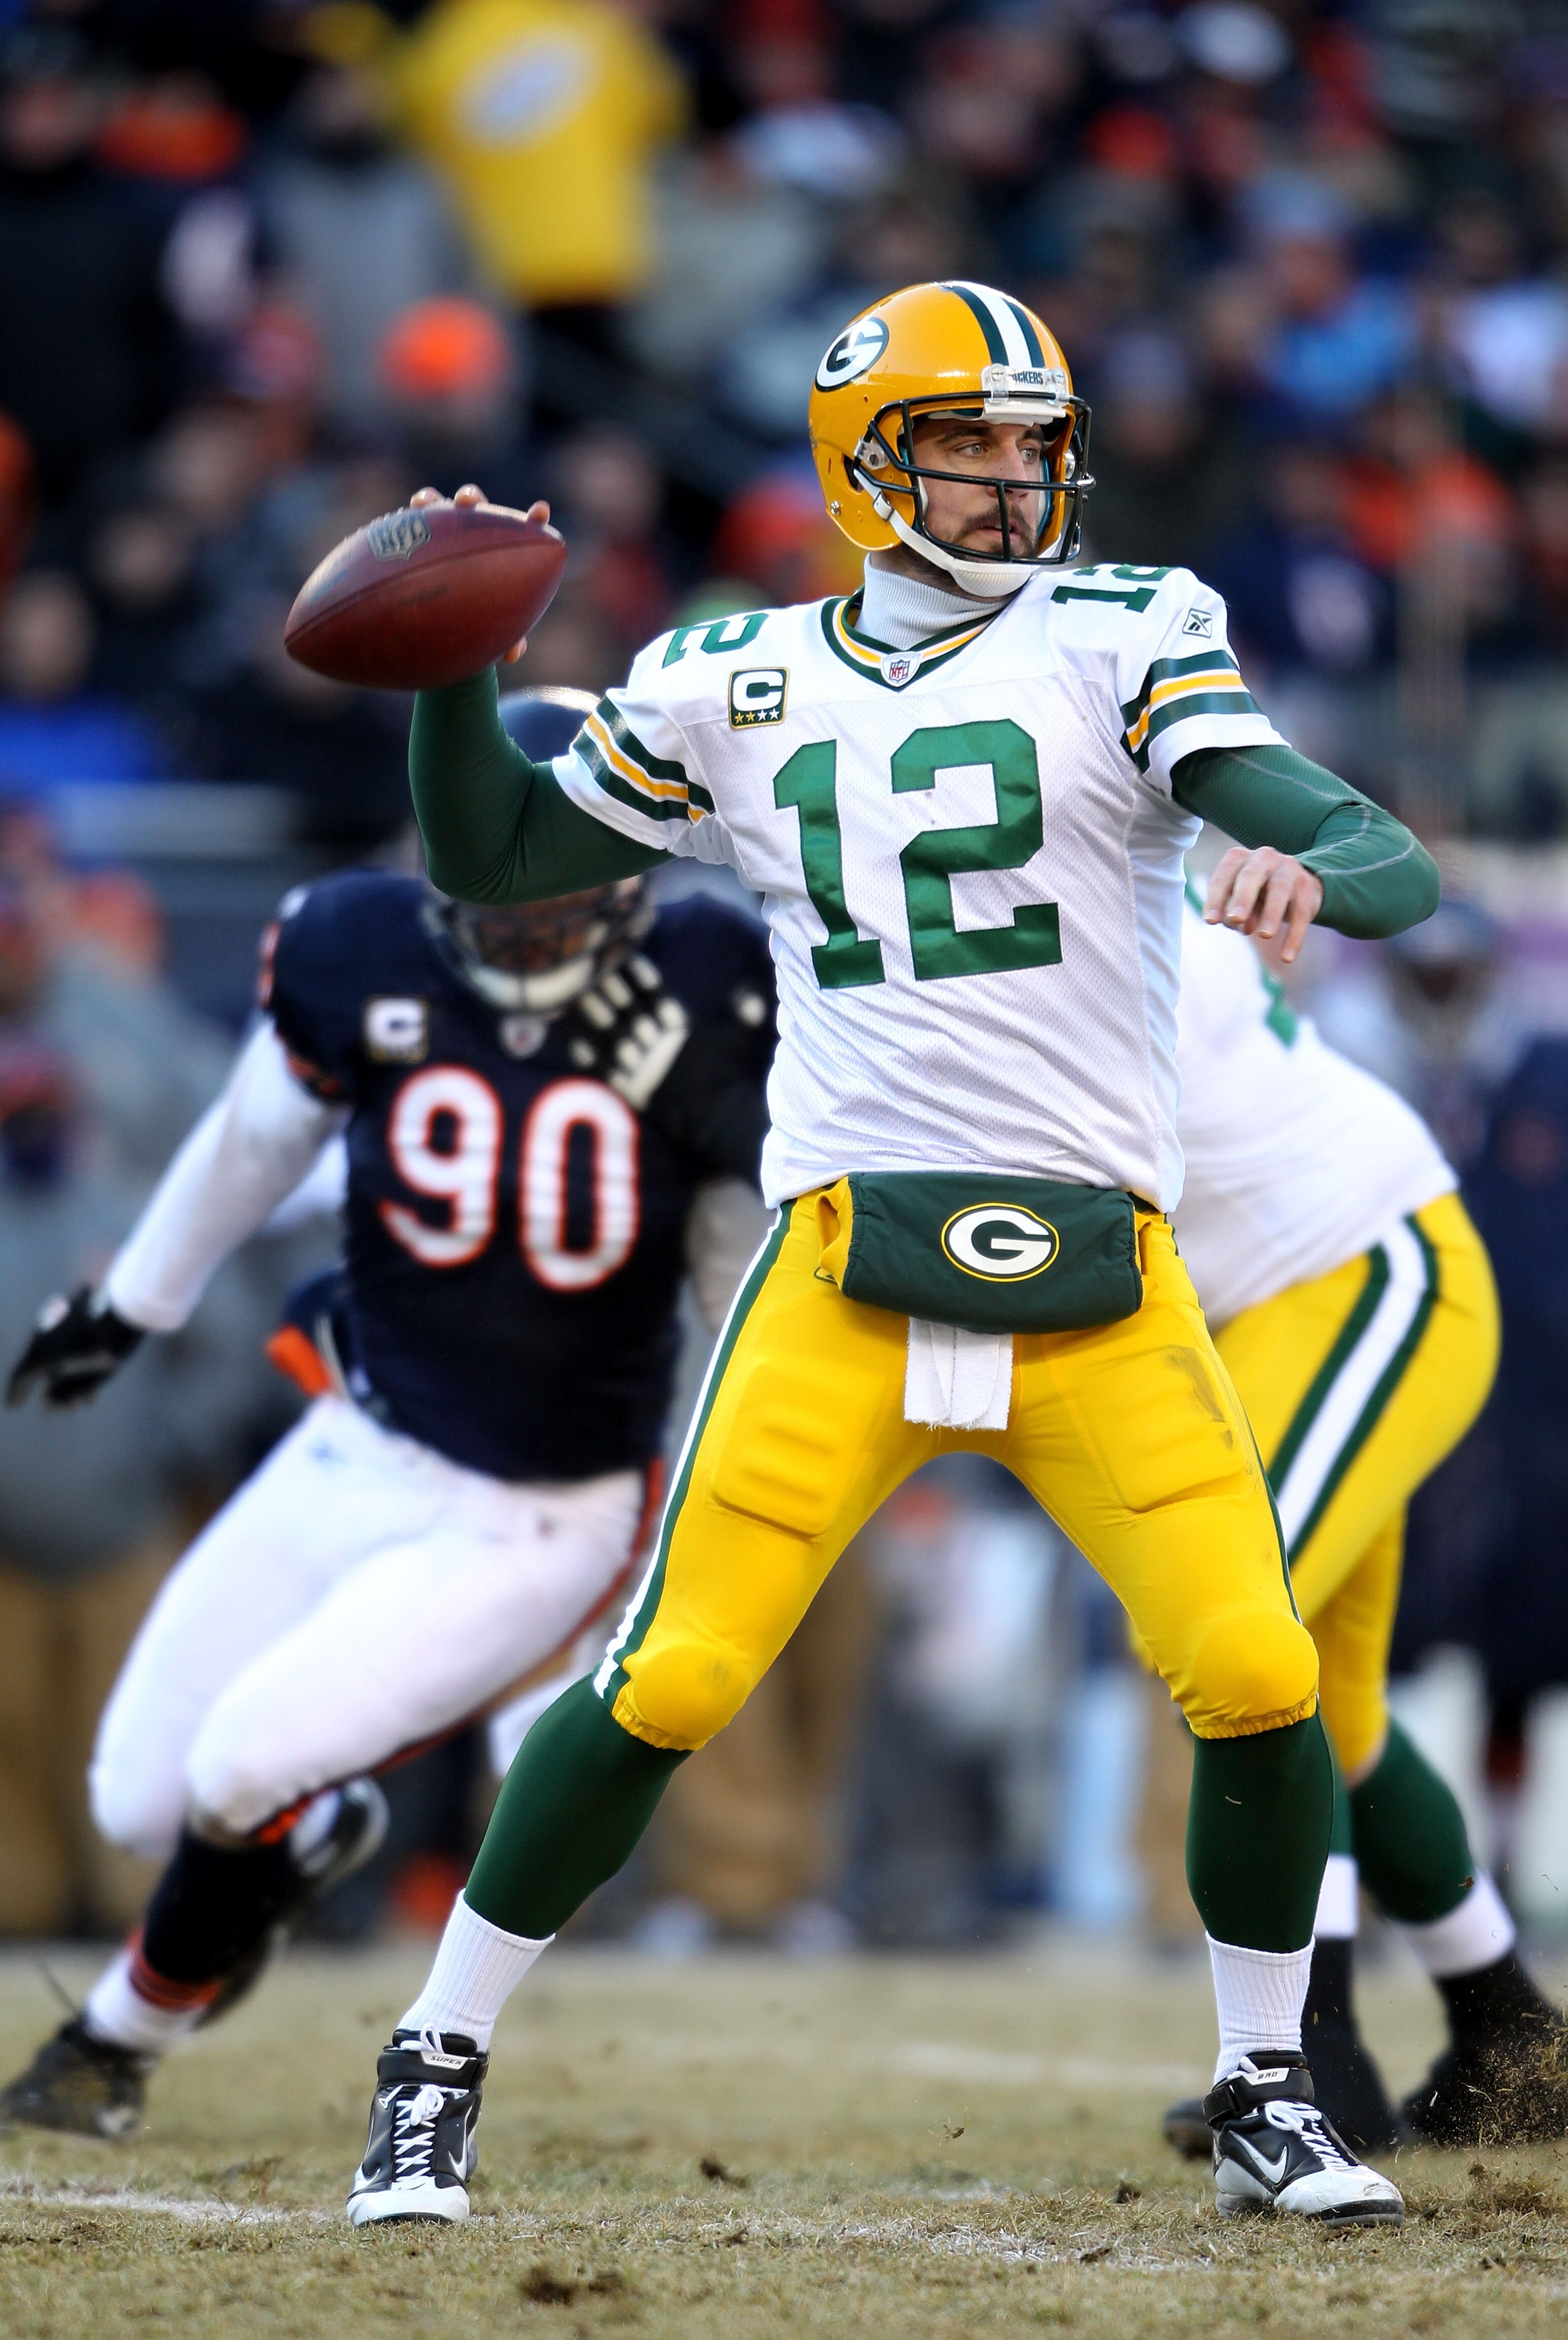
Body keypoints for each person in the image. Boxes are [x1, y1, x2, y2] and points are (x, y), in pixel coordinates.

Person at [344, 280, 1440, 2233]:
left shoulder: (1128, 630)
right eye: (972, 442)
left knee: (1258, 1671)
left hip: (1100, 1271)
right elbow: (501, 857)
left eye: (1036, 443)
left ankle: (1267, 2084)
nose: (1016, 479)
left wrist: (1311, 858)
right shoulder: (729, 677)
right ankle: (431, 2060)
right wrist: (456, 667)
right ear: (868, 463)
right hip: (846, 1258)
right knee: (671, 1677)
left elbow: (1361, 846)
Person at [0, 688, 774, 2142]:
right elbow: (249, 1141)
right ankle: (312, 1833)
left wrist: (745, 1480)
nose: (521, 921)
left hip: (539, 1504)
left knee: (237, 1770)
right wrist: (133, 1305)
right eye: (492, 876)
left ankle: (111, 2038)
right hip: (353, 1433)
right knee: (137, 1801)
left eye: (552, 882)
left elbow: (739, 1279)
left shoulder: (708, 982)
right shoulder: (357, 945)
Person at [1158, 891, 1568, 2157]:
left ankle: (1313, 2048)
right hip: (1291, 1300)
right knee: (1331, 1701)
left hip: (1360, 1271)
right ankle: (1509, 2029)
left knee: (1243, 1636)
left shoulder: (1104, 925)